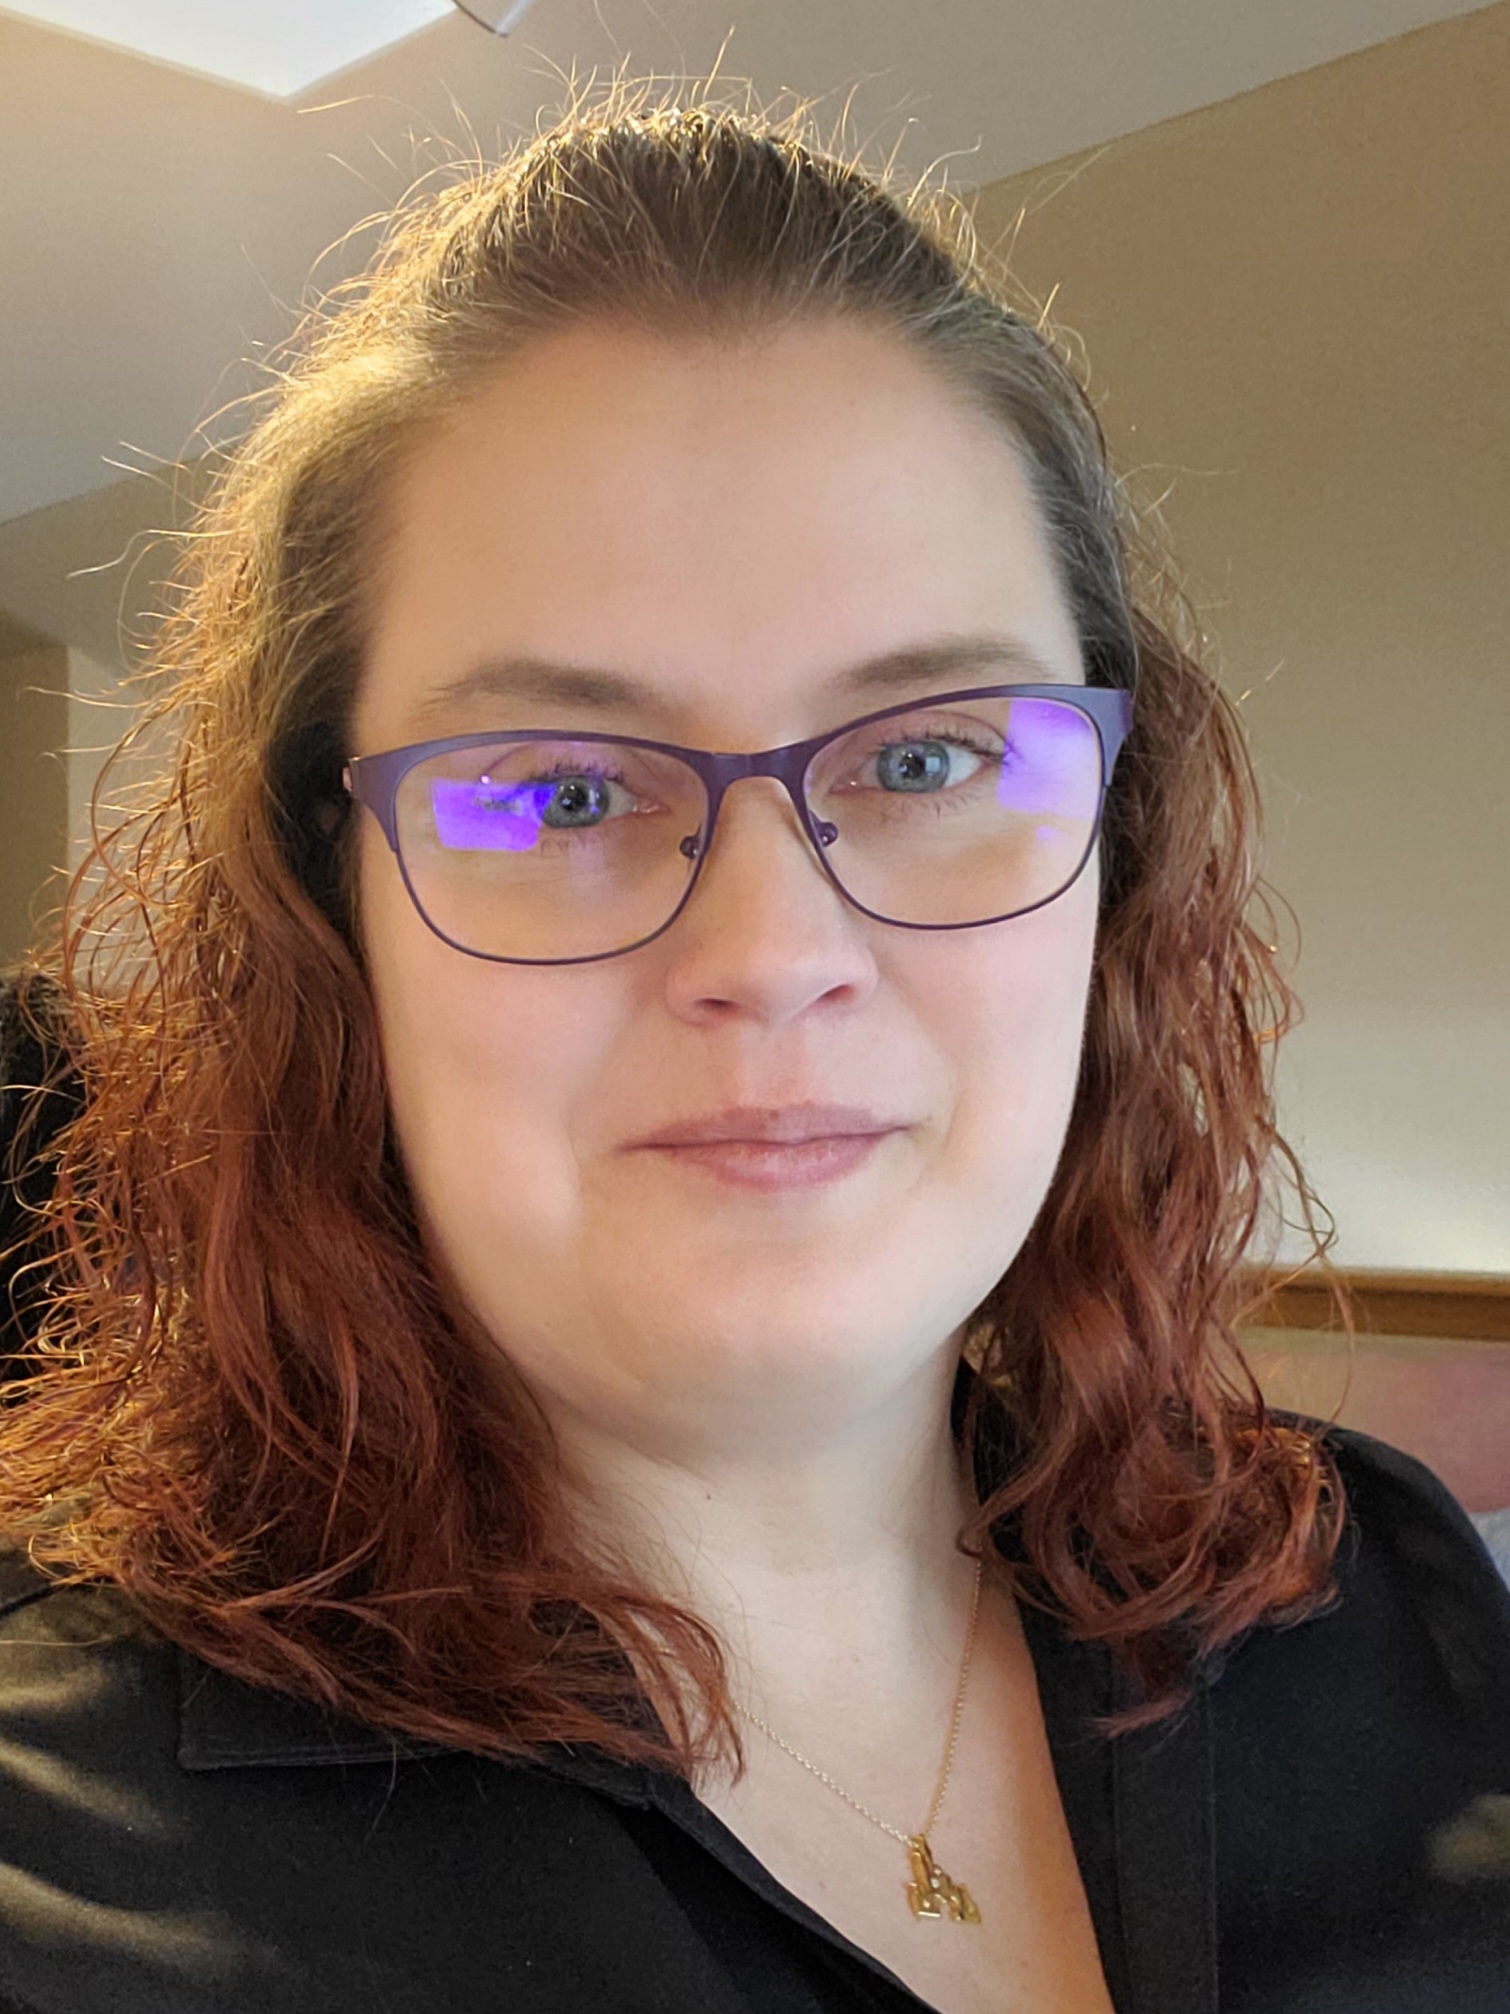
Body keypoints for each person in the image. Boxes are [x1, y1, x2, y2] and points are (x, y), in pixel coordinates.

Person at [0, 84, 1506, 2014]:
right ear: (330, 915)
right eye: (557, 791)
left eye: (929, 756)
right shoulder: (59, 1866)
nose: (774, 954)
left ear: (1114, 861)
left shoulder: (1366, 1592)